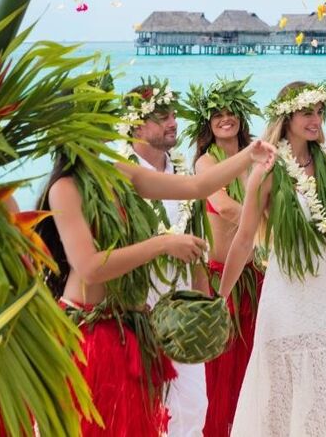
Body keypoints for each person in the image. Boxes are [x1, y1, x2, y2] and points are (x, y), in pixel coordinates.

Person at [39, 85, 276, 437]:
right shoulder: (66, 187)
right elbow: (89, 265)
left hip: (129, 325)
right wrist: (162, 244)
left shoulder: (118, 172)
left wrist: (249, 156)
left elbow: (196, 188)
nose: (108, 125)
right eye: (97, 119)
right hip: (89, 329)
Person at [218, 81, 326, 437]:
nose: (315, 120)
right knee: (280, 382)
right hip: (285, 290)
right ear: (287, 117)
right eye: (307, 113)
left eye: (319, 112)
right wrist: (220, 297)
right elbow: (243, 239)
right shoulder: (268, 169)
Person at [120, 77, 211, 437]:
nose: (173, 122)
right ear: (136, 124)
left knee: (192, 405)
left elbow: (198, 246)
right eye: (161, 117)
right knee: (142, 407)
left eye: (173, 115)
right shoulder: (118, 173)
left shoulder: (183, 176)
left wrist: (203, 301)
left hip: (182, 312)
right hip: (136, 311)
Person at [182, 77, 263, 437]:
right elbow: (223, 205)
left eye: (231, 113)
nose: (225, 120)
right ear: (208, 125)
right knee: (221, 365)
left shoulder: (257, 159)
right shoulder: (205, 162)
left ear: (242, 119)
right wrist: (267, 225)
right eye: (217, 115)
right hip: (218, 276)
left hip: (252, 273)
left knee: (249, 362)